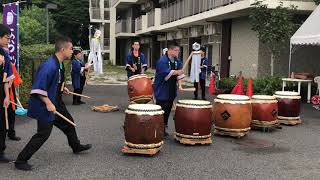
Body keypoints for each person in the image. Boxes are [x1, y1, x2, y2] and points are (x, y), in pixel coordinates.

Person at [15, 36, 92, 171]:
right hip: (46, 104)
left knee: (69, 123)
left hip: (56, 101)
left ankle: (76, 146)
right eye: (70, 49)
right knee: (43, 134)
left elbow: (56, 81)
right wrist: (48, 103)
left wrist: (62, 88)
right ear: (62, 49)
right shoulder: (49, 65)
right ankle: (21, 160)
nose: (72, 52)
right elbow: (38, 88)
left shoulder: (60, 63)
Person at [153, 42, 185, 137]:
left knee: (168, 108)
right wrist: (176, 72)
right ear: (170, 50)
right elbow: (165, 74)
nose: (178, 52)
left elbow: (179, 74)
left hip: (171, 88)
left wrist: (180, 85)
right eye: (176, 50)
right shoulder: (162, 61)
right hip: (162, 88)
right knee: (161, 109)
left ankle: (164, 127)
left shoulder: (176, 61)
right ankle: (157, 128)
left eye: (178, 50)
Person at [0, 24, 14, 163]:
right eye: (6, 38)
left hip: (0, 92)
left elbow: (6, 77)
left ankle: (1, 151)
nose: (8, 41)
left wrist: (6, 96)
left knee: (3, 124)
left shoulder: (4, 53)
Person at [3, 47, 21, 141]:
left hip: (10, 93)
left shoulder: (11, 65)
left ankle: (11, 132)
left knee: (11, 114)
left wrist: (16, 92)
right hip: (3, 92)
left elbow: (15, 80)